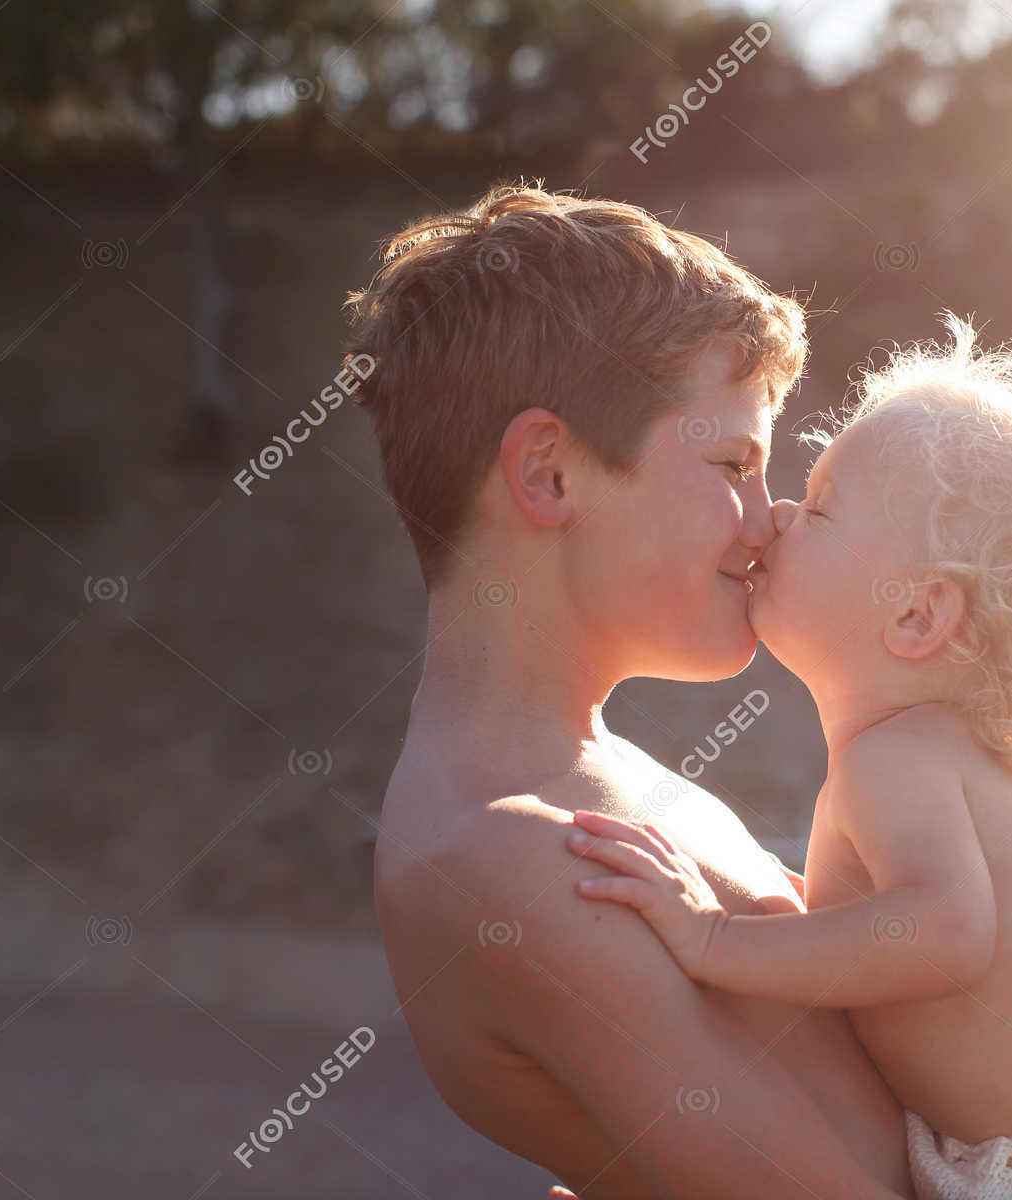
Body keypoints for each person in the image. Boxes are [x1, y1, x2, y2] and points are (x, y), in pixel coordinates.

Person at [568, 315, 1012, 1198]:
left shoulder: (894, 763)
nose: (775, 514)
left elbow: (947, 935)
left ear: (917, 616)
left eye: (818, 508)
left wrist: (713, 938)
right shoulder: (951, 758)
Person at [349, 183, 914, 1198]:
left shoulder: (608, 785)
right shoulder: (507, 858)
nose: (765, 521)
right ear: (551, 474)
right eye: (734, 463)